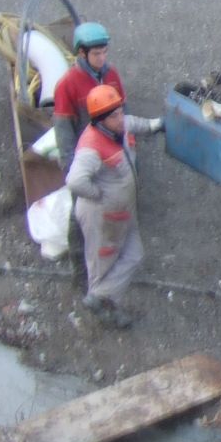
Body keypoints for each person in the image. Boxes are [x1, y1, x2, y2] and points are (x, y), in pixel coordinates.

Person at [65, 83, 156, 329]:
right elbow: (74, 181)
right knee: (102, 265)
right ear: (101, 120)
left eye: (119, 111)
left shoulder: (117, 127)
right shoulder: (91, 146)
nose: (121, 118)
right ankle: (104, 307)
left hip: (123, 212)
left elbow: (132, 123)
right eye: (114, 115)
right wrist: (99, 195)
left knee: (134, 255)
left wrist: (156, 125)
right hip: (102, 217)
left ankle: (101, 298)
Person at [51, 21, 123, 171]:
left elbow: (124, 112)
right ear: (82, 53)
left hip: (112, 149)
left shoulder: (112, 74)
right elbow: (64, 134)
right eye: (96, 54)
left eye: (105, 52)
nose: (102, 58)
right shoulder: (67, 85)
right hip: (88, 152)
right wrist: (71, 171)